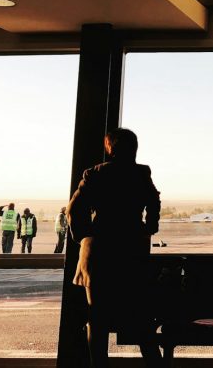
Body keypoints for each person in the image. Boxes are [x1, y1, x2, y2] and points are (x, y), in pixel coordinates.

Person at [67, 128, 162, 367]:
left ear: (109, 148)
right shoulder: (141, 173)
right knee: (142, 319)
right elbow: (154, 201)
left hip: (99, 252)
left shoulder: (95, 174)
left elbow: (74, 210)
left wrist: (86, 237)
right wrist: (148, 227)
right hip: (132, 250)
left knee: (97, 320)